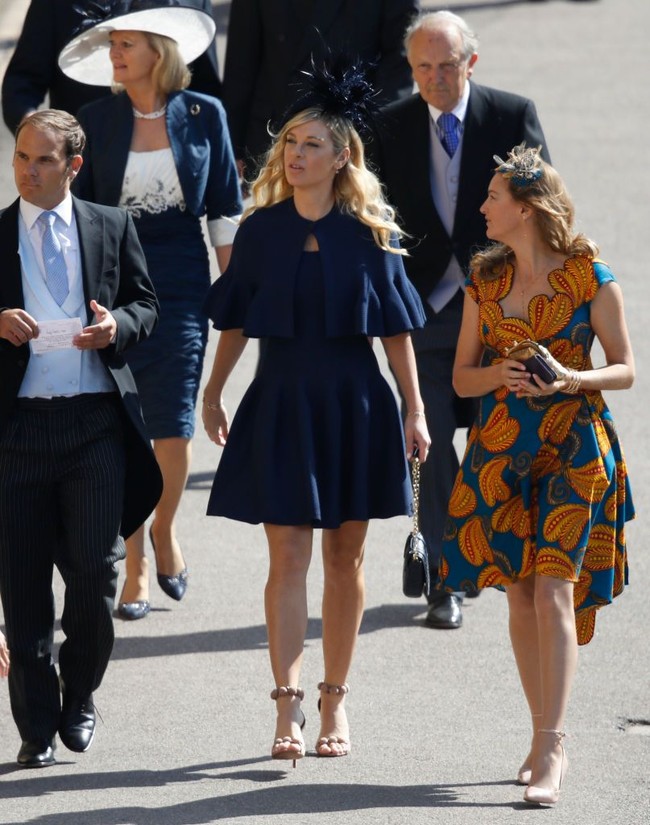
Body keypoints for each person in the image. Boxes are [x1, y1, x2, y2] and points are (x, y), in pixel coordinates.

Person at [201, 62, 430, 764]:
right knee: (287, 556)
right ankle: (286, 703)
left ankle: (335, 698)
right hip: (280, 400)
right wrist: (213, 391)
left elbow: (396, 330)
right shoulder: (260, 230)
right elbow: (236, 320)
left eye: (310, 145)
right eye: (290, 143)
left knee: (345, 556)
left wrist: (415, 410)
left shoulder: (371, 232)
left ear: (342, 158)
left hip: (356, 403)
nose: (295, 154)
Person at [438, 144, 635, 806]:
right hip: (502, 450)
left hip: (575, 446)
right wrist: (502, 373)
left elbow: (626, 367)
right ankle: (539, 732)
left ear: (525, 208)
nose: (483, 207)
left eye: (493, 197)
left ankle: (553, 744)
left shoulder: (589, 275)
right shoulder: (484, 282)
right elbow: (463, 375)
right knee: (521, 593)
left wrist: (573, 377)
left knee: (555, 587)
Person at [59, 2, 243, 620]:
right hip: (113, 278)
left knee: (173, 419)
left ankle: (165, 528)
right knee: (126, 420)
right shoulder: (95, 119)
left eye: (127, 44)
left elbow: (222, 206)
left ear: (158, 53)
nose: (115, 54)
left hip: (184, 277)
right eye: (113, 45)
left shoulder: (204, 114)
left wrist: (234, 282)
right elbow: (76, 213)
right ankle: (134, 560)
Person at [371, 10, 550, 630]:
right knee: (427, 441)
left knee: (496, 441)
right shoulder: (389, 125)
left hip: (499, 313)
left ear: (470, 63)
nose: (436, 78)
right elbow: (374, 218)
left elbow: (544, 208)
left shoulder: (509, 115)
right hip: (424, 314)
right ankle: (445, 576)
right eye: (423, 67)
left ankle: (496, 557)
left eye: (447, 66)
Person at [0, 109, 162, 768]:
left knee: (96, 575)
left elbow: (147, 305)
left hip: (95, 422)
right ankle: (36, 724)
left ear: (74, 165)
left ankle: (81, 690)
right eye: (20, 158)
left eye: (43, 160)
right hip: (18, 429)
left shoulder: (111, 224)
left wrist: (115, 326)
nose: (28, 170)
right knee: (23, 585)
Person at [222, 0, 420, 178]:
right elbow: (241, 59)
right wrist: (233, 145)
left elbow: (398, 63)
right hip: (273, 138)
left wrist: (375, 138)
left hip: (351, 141)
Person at [2, 0, 223, 135]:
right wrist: (38, 132)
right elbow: (23, 81)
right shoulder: (59, 3)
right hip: (84, 167)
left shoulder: (192, 3)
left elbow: (206, 85)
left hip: (172, 166)